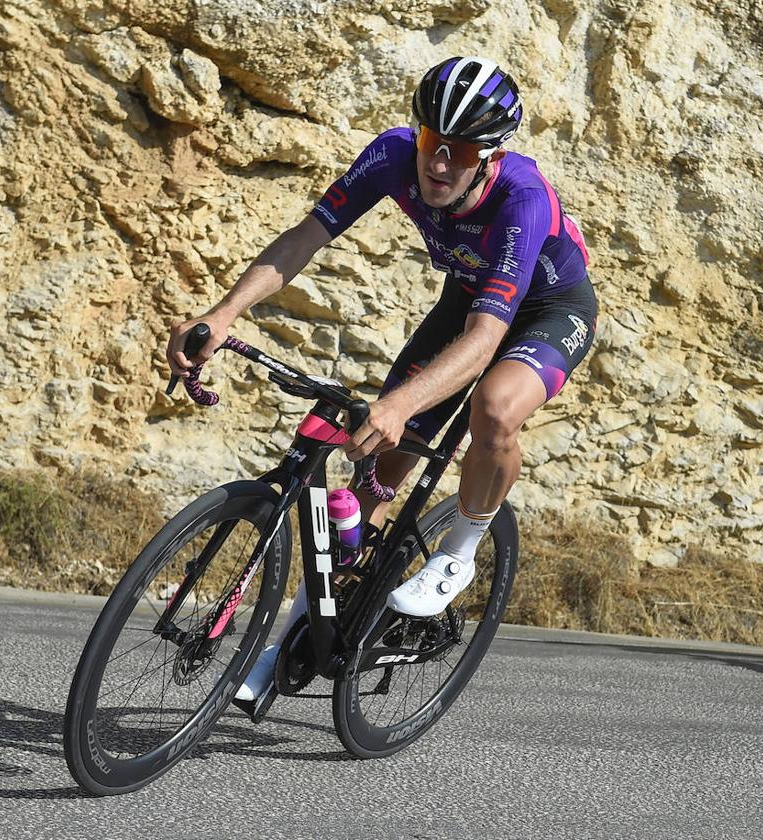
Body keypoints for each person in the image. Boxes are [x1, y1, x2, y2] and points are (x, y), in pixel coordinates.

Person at [165, 56, 598, 703]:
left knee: (494, 407)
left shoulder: (522, 198)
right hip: (468, 298)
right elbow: (306, 236)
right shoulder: (393, 156)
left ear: (488, 157)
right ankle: (292, 649)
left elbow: (484, 342)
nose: (438, 164)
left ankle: (460, 548)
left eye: (457, 151)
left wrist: (399, 401)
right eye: (431, 142)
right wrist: (222, 314)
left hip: (547, 311)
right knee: (370, 478)